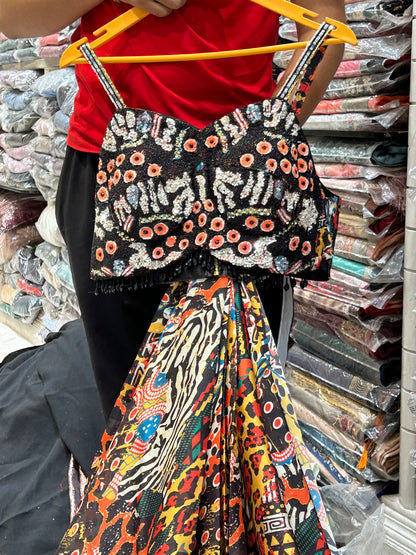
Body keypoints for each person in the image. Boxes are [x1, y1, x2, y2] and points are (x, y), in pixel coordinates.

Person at [1, 2, 346, 553]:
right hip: (117, 169)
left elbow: (326, 25)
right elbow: (15, 17)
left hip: (249, 171)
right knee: (133, 411)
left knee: (246, 403)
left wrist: (271, 128)